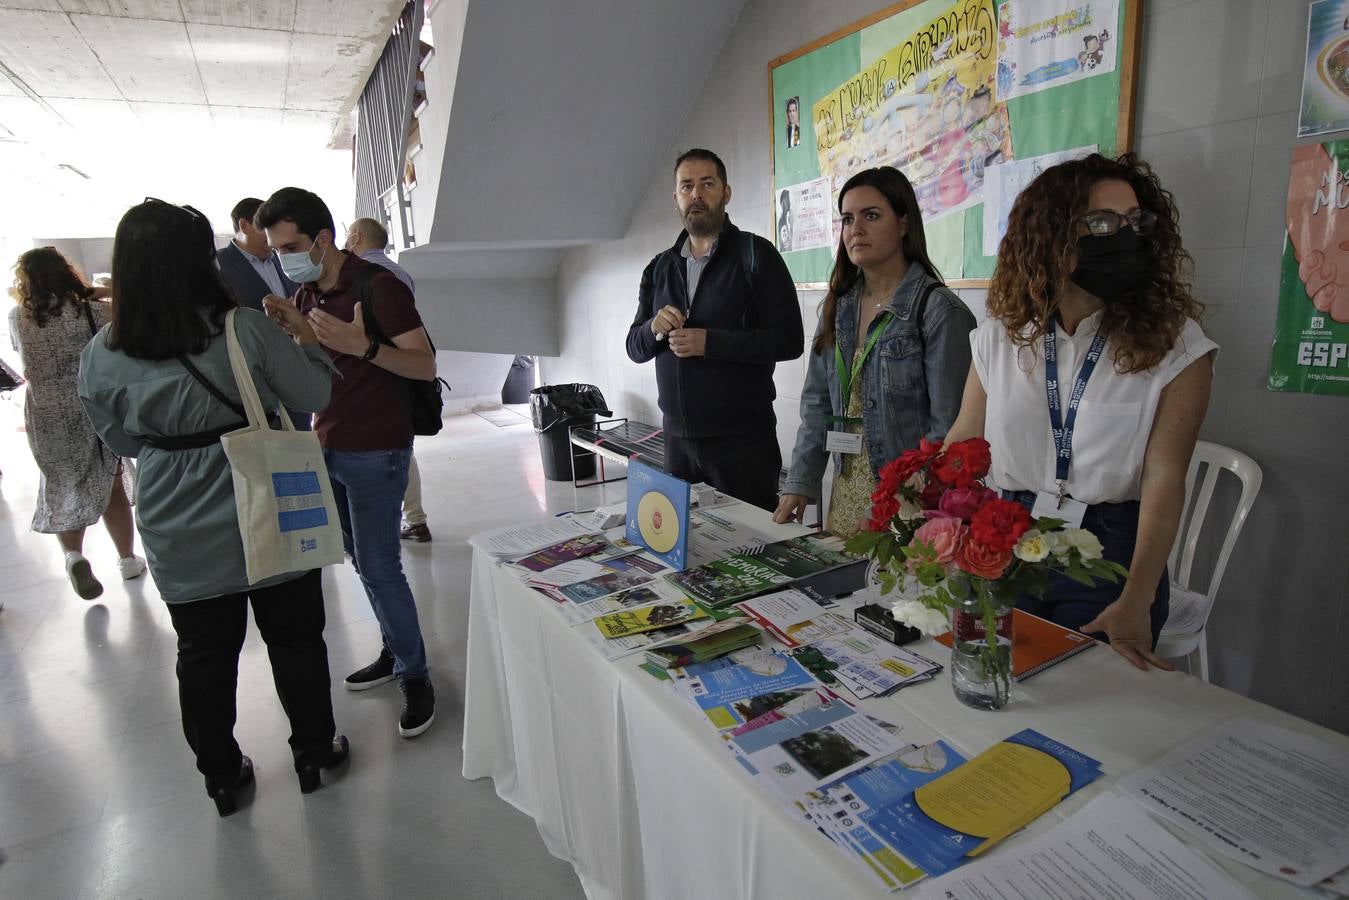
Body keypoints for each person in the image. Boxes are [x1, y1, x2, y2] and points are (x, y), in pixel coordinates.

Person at [78, 199, 347, 816]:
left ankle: (223, 776)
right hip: (270, 504)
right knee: (296, 637)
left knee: (202, 654)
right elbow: (313, 393)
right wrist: (305, 342)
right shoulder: (242, 328)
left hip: (176, 519)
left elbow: (119, 440)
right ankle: (314, 750)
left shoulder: (103, 353)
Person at [943, 152, 1216, 672]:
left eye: (1135, 223)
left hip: (1110, 548)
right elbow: (964, 437)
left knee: (1087, 697)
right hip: (1007, 530)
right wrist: (925, 518)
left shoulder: (1176, 346)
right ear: (1048, 235)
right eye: (1101, 223)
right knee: (994, 679)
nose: (1124, 237)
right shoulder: (1002, 336)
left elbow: (1165, 479)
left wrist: (1136, 600)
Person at [257, 187, 438, 737]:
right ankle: (393, 648)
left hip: (378, 449)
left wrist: (365, 348)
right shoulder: (310, 293)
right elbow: (320, 366)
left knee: (382, 566)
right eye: (274, 250)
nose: (282, 258)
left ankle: (417, 676)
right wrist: (296, 326)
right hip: (329, 444)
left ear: (323, 239)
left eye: (289, 246)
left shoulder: (377, 287)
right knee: (360, 559)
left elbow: (426, 366)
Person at [776, 167, 976, 536]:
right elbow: (818, 404)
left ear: (903, 224)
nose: (855, 229)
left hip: (910, 505)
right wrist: (800, 482)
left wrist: (902, 502)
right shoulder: (839, 308)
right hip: (846, 495)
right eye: (848, 219)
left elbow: (947, 430)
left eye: (871, 216)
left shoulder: (939, 312)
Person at [625, 148, 804, 511]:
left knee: (750, 552)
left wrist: (712, 343)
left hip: (743, 442)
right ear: (675, 198)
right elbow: (634, 347)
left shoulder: (757, 255)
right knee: (687, 556)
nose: (697, 195)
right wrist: (653, 329)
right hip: (677, 442)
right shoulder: (660, 267)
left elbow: (790, 340)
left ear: (726, 192)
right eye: (687, 186)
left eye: (707, 184)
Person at [9, 247, 144, 599]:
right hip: (89, 403)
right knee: (111, 482)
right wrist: (100, 293)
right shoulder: (90, 312)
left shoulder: (17, 317)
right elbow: (124, 331)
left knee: (60, 484)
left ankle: (73, 555)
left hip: (44, 411)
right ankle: (128, 559)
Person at [344, 217, 431, 543]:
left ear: (356, 238)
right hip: (403, 370)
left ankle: (382, 524)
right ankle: (415, 518)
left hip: (369, 374)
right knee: (402, 446)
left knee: (371, 450)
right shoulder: (401, 273)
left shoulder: (356, 277)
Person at [217, 197, 310, 431]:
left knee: (301, 442)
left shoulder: (283, 258)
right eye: (266, 227)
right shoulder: (219, 266)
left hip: (294, 364)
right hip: (253, 374)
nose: (272, 235)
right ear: (245, 225)